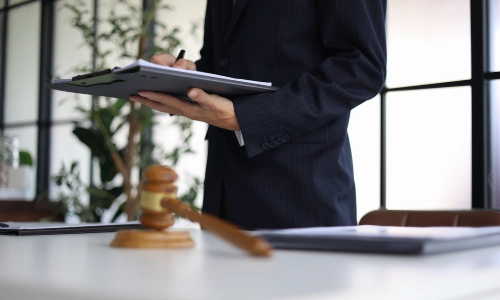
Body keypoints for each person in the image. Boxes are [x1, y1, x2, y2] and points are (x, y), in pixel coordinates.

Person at [130, 0, 387, 230]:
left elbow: (362, 67)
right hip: (223, 192)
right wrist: (182, 75)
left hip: (301, 192)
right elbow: (222, 59)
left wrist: (246, 118)